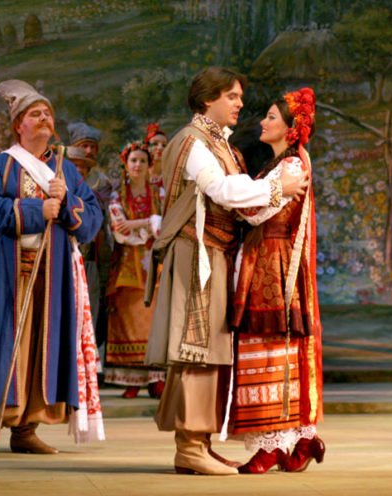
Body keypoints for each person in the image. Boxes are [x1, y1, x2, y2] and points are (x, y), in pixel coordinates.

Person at [145, 66, 308, 476]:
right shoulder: (193, 142)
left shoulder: (221, 144)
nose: (239, 103)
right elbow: (222, 190)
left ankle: (199, 442)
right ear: (207, 99)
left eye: (239, 96)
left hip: (216, 253)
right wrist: (277, 188)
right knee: (195, 349)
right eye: (231, 96)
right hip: (196, 253)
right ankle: (189, 447)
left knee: (213, 350)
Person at [0, 80, 103, 457]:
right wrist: (38, 210)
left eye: (48, 113)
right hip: (5, 274)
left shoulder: (65, 170)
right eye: (35, 114)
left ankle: (26, 428)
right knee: (0, 344)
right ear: (18, 124)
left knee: (40, 347)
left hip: (51, 277)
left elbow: (92, 217)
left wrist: (66, 205)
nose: (44, 118)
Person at [227, 87, 324, 474]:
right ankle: (293, 440)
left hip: (276, 263)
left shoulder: (292, 167)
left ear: (290, 127)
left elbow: (253, 211)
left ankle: (273, 442)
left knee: (272, 347)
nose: (262, 122)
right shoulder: (276, 167)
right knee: (267, 347)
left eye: (271, 117)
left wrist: (233, 194)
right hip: (264, 258)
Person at [104, 141, 166, 399]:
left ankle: (155, 378)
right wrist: (149, 224)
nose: (138, 165)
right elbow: (121, 231)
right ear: (126, 165)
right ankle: (132, 379)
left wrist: (139, 223)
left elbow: (165, 225)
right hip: (128, 265)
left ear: (150, 165)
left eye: (142, 160)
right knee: (129, 318)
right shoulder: (117, 196)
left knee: (154, 321)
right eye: (133, 161)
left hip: (155, 264)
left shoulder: (159, 194)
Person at [67, 122, 113, 347]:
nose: (89, 151)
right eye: (84, 146)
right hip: (66, 253)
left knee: (91, 303)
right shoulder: (59, 179)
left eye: (93, 147)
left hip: (92, 251)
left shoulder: (102, 182)